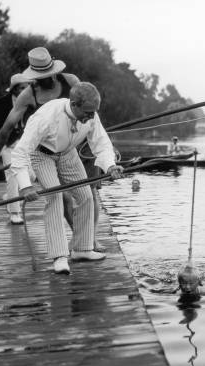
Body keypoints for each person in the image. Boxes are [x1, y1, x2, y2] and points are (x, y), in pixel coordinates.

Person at [13, 82, 124, 275]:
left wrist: (110, 165)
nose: (91, 117)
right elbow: (20, 152)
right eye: (88, 113)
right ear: (74, 104)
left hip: (68, 153)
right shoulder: (46, 117)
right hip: (41, 154)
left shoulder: (91, 115)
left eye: (94, 112)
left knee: (86, 196)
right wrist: (25, 186)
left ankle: (82, 249)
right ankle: (59, 256)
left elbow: (101, 143)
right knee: (55, 197)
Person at [0, 47, 80, 175]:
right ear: (36, 77)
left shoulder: (71, 81)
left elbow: (90, 110)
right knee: (57, 193)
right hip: (44, 151)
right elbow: (6, 128)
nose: (49, 79)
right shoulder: (27, 95)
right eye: (43, 77)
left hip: (73, 143)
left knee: (89, 193)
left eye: (50, 74)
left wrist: (103, 145)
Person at [0, 73, 33, 224]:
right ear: (14, 90)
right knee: (12, 176)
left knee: (31, 176)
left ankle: (9, 197)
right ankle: (14, 213)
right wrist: (0, 134)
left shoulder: (31, 103)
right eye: (22, 88)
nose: (26, 90)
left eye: (27, 87)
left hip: (24, 142)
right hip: (7, 144)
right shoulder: (0, 104)